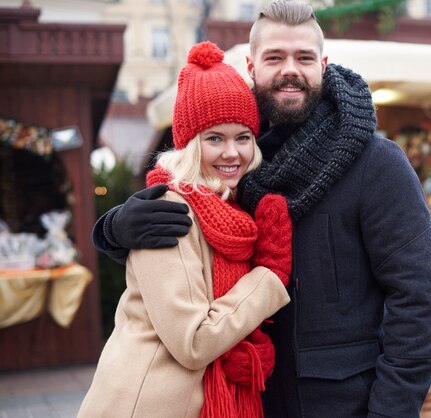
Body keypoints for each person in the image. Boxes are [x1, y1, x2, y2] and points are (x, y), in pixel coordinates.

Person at [93, 1, 431, 416]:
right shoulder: (238, 158)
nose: (289, 70)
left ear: (324, 64)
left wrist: (390, 411)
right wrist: (116, 229)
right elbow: (187, 238)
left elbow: (418, 298)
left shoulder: (376, 163)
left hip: (345, 403)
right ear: (252, 66)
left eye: (304, 57)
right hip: (253, 398)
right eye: (274, 57)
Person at [79, 41, 293, 418]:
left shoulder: (230, 208)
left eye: (243, 137)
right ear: (190, 145)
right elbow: (193, 341)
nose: (232, 153)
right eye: (215, 138)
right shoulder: (171, 210)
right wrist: (269, 275)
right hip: (150, 404)